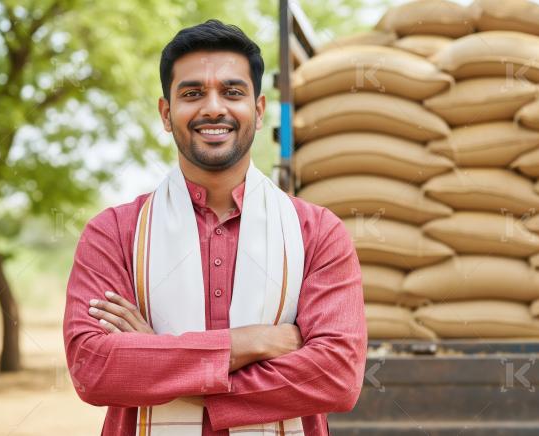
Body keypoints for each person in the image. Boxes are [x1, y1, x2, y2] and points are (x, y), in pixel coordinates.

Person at [63, 19, 367, 436]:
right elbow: (92, 368)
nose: (212, 108)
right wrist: (252, 342)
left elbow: (336, 376)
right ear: (166, 113)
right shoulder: (113, 233)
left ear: (258, 110)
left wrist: (158, 359)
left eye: (232, 92)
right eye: (192, 94)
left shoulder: (316, 233)